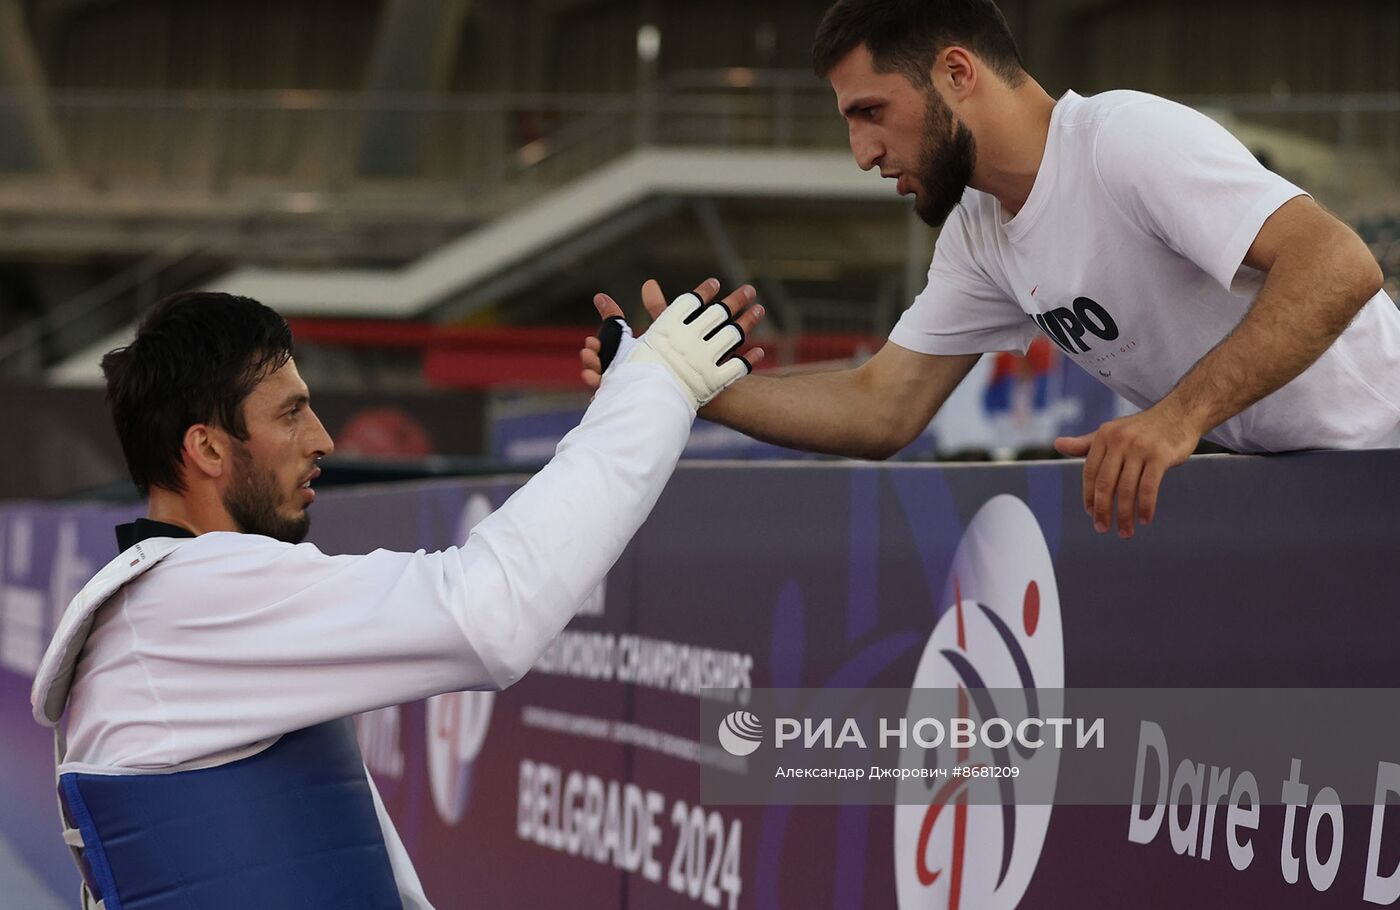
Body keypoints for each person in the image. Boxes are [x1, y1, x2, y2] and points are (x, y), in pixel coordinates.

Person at [31, 284, 760, 910]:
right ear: (209, 449)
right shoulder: (192, 597)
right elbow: (492, 611)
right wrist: (659, 385)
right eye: (290, 414)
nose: (322, 438)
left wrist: (629, 399)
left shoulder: (171, 601)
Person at [582, 0, 1398, 539]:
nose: (863, 153)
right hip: (1314, 501)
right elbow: (883, 406)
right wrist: (683, 382)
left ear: (957, 74)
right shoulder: (978, 233)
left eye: (872, 113)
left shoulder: (1122, 140)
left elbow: (1338, 262)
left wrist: (1177, 418)